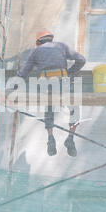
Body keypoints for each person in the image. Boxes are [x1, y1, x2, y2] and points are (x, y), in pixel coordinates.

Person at [17, 29, 86, 157]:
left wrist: (14, 85)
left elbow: (24, 72)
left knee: (49, 109)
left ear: (38, 42)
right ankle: (70, 137)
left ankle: (50, 138)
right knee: (74, 108)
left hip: (46, 85)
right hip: (63, 81)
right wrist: (70, 72)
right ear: (51, 38)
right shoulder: (62, 46)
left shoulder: (36, 51)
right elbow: (81, 59)